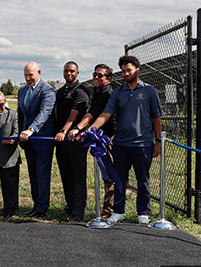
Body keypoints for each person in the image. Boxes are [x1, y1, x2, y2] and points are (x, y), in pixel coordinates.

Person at [85, 55, 162, 224]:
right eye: (124, 71)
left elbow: (157, 118)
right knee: (120, 180)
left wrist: (158, 142)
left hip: (143, 145)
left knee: (143, 181)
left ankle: (143, 212)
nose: (126, 74)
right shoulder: (118, 93)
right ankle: (118, 211)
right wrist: (92, 129)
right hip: (120, 144)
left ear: (137, 70)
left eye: (129, 70)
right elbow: (106, 113)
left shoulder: (149, 91)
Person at [68, 63, 116, 219]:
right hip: (101, 136)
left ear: (108, 79)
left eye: (100, 75)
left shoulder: (106, 93)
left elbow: (93, 113)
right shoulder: (98, 91)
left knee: (109, 175)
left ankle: (108, 212)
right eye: (95, 74)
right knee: (106, 174)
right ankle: (108, 210)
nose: (96, 77)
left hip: (108, 138)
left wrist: (78, 128)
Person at [17, 62, 56, 218]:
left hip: (42, 139)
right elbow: (20, 114)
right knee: (33, 175)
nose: (27, 78)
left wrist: (31, 129)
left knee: (42, 174)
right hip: (28, 141)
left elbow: (44, 113)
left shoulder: (47, 90)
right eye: (25, 75)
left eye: (30, 75)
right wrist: (20, 132)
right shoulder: (22, 91)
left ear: (39, 72)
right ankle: (36, 205)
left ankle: (42, 208)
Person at [54, 61, 90, 220]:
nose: (69, 74)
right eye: (66, 71)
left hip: (75, 140)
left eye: (72, 71)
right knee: (65, 173)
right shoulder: (60, 92)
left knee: (77, 174)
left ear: (78, 73)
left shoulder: (81, 91)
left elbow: (74, 113)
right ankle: (70, 206)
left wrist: (64, 130)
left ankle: (78, 210)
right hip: (61, 141)